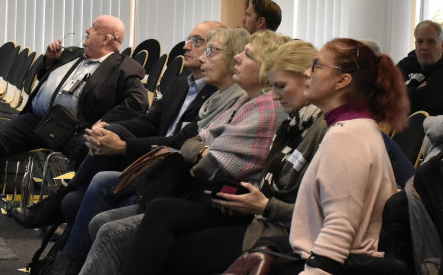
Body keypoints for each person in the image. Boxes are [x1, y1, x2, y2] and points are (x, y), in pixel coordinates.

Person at [77, 31, 288, 275]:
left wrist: (199, 150)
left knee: (114, 225)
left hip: (221, 204)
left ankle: (63, 243)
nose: (238, 59)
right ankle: (62, 249)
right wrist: (200, 149)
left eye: (247, 55)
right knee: (101, 210)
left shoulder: (265, 109)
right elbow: (193, 141)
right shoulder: (236, 101)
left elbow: (210, 162)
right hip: (188, 187)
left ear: (267, 67)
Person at [116, 40, 326, 275]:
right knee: (158, 208)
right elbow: (192, 142)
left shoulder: (294, 119)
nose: (275, 96)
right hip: (249, 212)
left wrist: (264, 206)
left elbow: (210, 164)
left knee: (147, 234)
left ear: (306, 79)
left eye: (281, 86)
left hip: (272, 230)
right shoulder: (290, 120)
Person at [10, 21, 221, 229]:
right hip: (149, 158)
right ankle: (61, 252)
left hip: (174, 169)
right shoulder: (180, 85)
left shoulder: (218, 98)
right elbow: (148, 121)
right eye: (188, 39)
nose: (186, 46)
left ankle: (58, 202)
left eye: (196, 41)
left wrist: (122, 146)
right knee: (102, 138)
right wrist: (104, 126)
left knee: (79, 188)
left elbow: (179, 141)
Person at [0, 15, 149, 229]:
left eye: (93, 28)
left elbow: (138, 103)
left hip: (75, 130)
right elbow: (42, 74)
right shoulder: (71, 54)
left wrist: (103, 121)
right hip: (39, 120)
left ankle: (56, 214)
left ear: (106, 39)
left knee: (88, 154)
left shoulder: (124, 68)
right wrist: (49, 60)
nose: (87, 30)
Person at [271, 38, 409, 274]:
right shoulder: (356, 127)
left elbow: (339, 227)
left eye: (316, 65)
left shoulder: (346, 135)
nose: (306, 72)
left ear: (342, 80)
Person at [400, 21, 443, 116]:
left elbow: (411, 104)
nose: (424, 47)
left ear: (442, 46)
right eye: (420, 42)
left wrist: (402, 90)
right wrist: (414, 91)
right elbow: (382, 90)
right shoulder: (407, 63)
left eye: (431, 42)